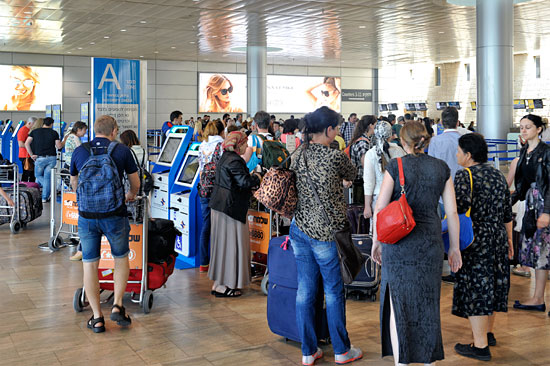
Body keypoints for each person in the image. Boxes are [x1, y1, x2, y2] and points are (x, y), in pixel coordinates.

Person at [372, 121, 462, 366]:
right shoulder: (441, 168)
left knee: (398, 303)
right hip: (430, 244)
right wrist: (454, 248)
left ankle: (401, 361)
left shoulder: (396, 165)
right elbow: (452, 213)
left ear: (402, 142)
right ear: (427, 140)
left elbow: (380, 208)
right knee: (428, 303)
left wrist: (376, 242)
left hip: (398, 243)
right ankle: (428, 362)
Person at [290, 106, 362, 366]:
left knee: (305, 290)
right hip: (326, 233)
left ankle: (308, 352)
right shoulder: (335, 157)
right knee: (333, 291)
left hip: (299, 230)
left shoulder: (297, 153)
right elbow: (353, 176)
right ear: (329, 129)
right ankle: (342, 350)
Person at [70, 115, 140, 333]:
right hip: (115, 214)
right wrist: (129, 195)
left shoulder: (80, 151)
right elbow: (136, 183)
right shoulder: (121, 151)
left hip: (87, 216)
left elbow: (74, 182)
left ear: (94, 130)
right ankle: (118, 304)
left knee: (90, 263)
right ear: (114, 130)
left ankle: (97, 317)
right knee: (120, 258)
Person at [452, 133, 513, 361]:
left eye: (459, 151)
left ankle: (480, 346)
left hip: (475, 237)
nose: (456, 154)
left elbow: (457, 210)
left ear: (468, 155)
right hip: (496, 235)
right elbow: (507, 212)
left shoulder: (464, 175)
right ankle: (488, 333)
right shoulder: (498, 175)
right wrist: (508, 240)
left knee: (477, 287)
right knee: (494, 283)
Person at [208, 131, 260, 297]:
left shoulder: (225, 156)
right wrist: (258, 177)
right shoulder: (235, 160)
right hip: (230, 209)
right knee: (231, 246)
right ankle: (227, 285)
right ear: (239, 144)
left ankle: (218, 283)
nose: (247, 146)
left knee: (221, 247)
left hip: (220, 206)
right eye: (245, 143)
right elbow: (244, 182)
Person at [511, 114, 550, 315]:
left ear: (539, 129)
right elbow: (521, 185)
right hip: (532, 205)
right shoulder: (525, 151)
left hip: (544, 205)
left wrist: (547, 212)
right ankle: (538, 298)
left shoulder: (547, 152)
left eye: (528, 127)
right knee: (540, 252)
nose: (524, 130)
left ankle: (539, 298)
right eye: (522, 127)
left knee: (546, 251)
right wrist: (507, 203)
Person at [362, 121, 406, 235]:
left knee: (379, 232)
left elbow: (369, 183)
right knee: (396, 231)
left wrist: (367, 206)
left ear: (375, 134)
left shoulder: (371, 154)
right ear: (391, 134)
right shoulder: (399, 151)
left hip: (378, 198)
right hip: (397, 197)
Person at [197, 121, 225, 273]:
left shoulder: (202, 145)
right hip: (217, 190)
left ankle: (203, 263)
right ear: (221, 132)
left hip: (203, 189)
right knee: (220, 226)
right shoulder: (221, 145)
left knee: (206, 225)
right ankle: (218, 261)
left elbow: (200, 167)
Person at [24, 116, 62, 202]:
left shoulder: (34, 132)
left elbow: (27, 143)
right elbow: (59, 146)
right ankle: (44, 198)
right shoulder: (54, 133)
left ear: (43, 123)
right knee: (47, 178)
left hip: (40, 158)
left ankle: (45, 193)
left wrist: (31, 154)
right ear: (52, 124)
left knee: (38, 175)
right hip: (52, 158)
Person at [349, 115, 377, 204]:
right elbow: (366, 164)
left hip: (360, 180)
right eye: (375, 124)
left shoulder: (363, 139)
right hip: (360, 181)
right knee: (361, 208)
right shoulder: (363, 142)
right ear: (370, 125)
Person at [17, 116, 37, 182]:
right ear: (29, 123)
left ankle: (31, 188)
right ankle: (24, 188)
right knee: (26, 174)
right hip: (25, 156)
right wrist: (29, 145)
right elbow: (20, 144)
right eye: (34, 124)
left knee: (32, 174)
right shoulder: (23, 130)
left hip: (29, 155)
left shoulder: (30, 130)